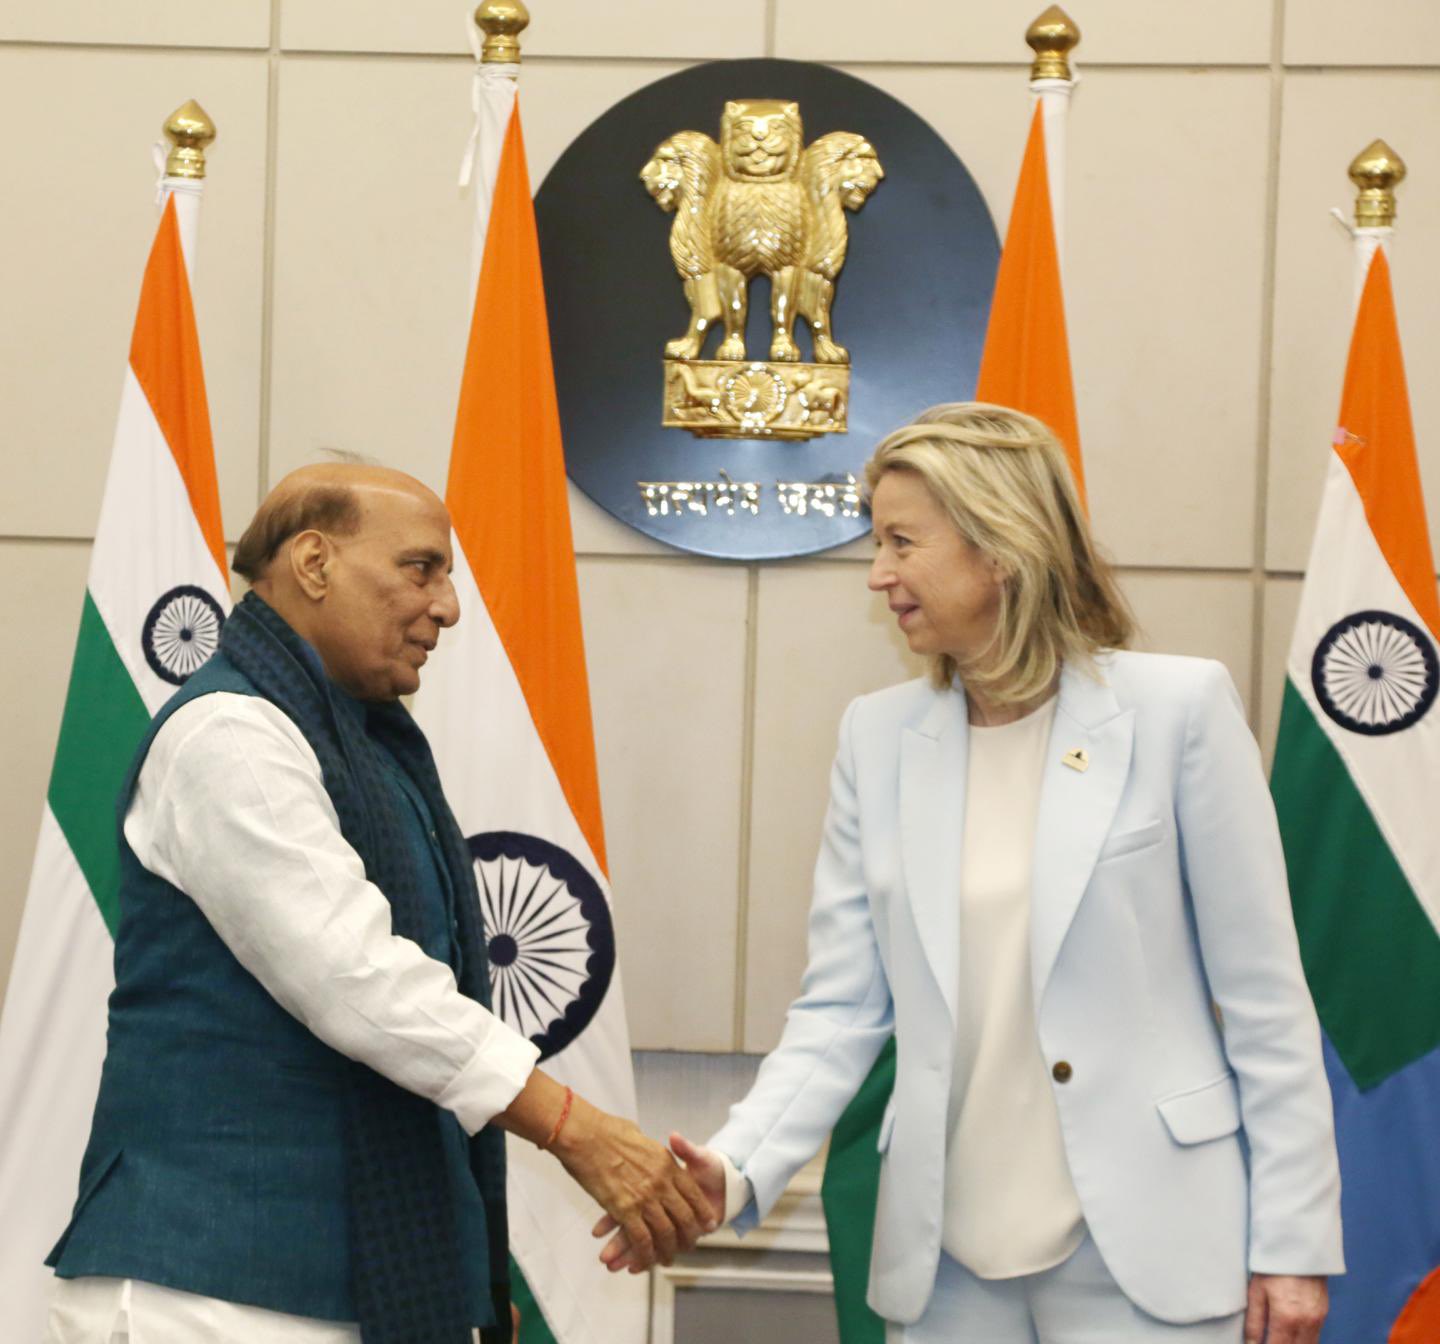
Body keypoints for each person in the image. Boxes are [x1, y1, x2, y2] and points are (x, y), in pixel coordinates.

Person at [607, 404, 1344, 1343]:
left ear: (999, 547)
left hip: (1152, 1248)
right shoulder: (877, 738)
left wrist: (1292, 1242)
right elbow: (842, 1008)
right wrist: (737, 1163)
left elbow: (1266, 998)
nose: (878, 574)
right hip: (946, 1262)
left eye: (901, 542)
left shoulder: (1179, 712)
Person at [44, 464, 712, 1344]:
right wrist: (574, 1128)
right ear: (314, 563)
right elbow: (355, 980)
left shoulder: (363, 742)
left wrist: (456, 1278)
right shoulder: (230, 735)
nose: (449, 607)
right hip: (210, 1293)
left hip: (316, 1293)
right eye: (420, 568)